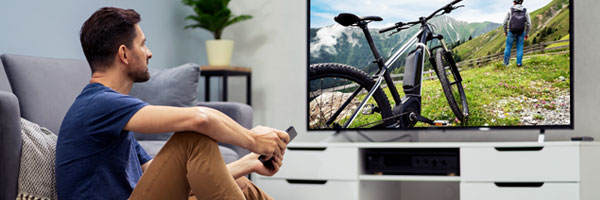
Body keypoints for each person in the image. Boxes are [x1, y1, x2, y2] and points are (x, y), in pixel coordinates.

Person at [55, 7, 289, 200]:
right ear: (124, 54)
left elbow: (167, 178)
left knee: (242, 186)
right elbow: (200, 119)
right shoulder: (98, 103)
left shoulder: (113, 117)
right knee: (192, 138)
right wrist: (253, 140)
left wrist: (248, 162)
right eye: (143, 44)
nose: (149, 53)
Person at [503, 0, 531, 67]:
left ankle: (506, 64)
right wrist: (527, 33)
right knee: (520, 48)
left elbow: (504, 22)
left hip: (511, 31)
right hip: (521, 32)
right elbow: (529, 23)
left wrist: (505, 31)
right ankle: (519, 63)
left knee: (508, 47)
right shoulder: (525, 11)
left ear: (514, 2)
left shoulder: (510, 10)